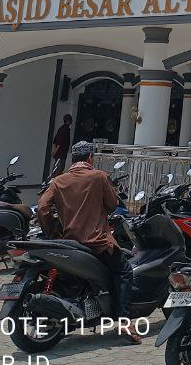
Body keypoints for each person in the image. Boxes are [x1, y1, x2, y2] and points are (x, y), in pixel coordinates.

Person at [38, 141, 139, 342]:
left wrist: (53, 232)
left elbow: (42, 207)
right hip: (97, 242)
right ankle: (125, 321)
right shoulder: (99, 177)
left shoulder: (58, 181)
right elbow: (112, 205)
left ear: (72, 159)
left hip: (69, 242)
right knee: (124, 271)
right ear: (90, 158)